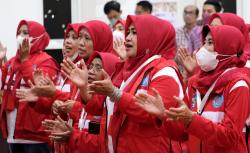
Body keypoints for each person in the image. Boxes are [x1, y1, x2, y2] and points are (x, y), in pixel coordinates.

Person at [62, 15, 184, 153]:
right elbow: (101, 108)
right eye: (128, 32)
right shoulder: (132, 69)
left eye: (135, 33)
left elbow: (150, 112)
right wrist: (84, 86)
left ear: (152, 36)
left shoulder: (165, 72)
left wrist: (115, 93)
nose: (128, 38)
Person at [136, 25, 250, 153]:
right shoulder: (194, 83)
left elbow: (230, 136)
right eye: (204, 42)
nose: (203, 49)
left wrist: (192, 120)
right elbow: (182, 134)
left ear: (228, 47)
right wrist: (163, 115)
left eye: (211, 43)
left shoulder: (238, 85)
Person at [0, 20, 59, 153]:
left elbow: (41, 89)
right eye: (19, 32)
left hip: (35, 135)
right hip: (13, 132)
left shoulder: (46, 61)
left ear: (38, 37)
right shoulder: (11, 62)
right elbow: (2, 86)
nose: (21, 36)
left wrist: (25, 60)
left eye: (26, 33)